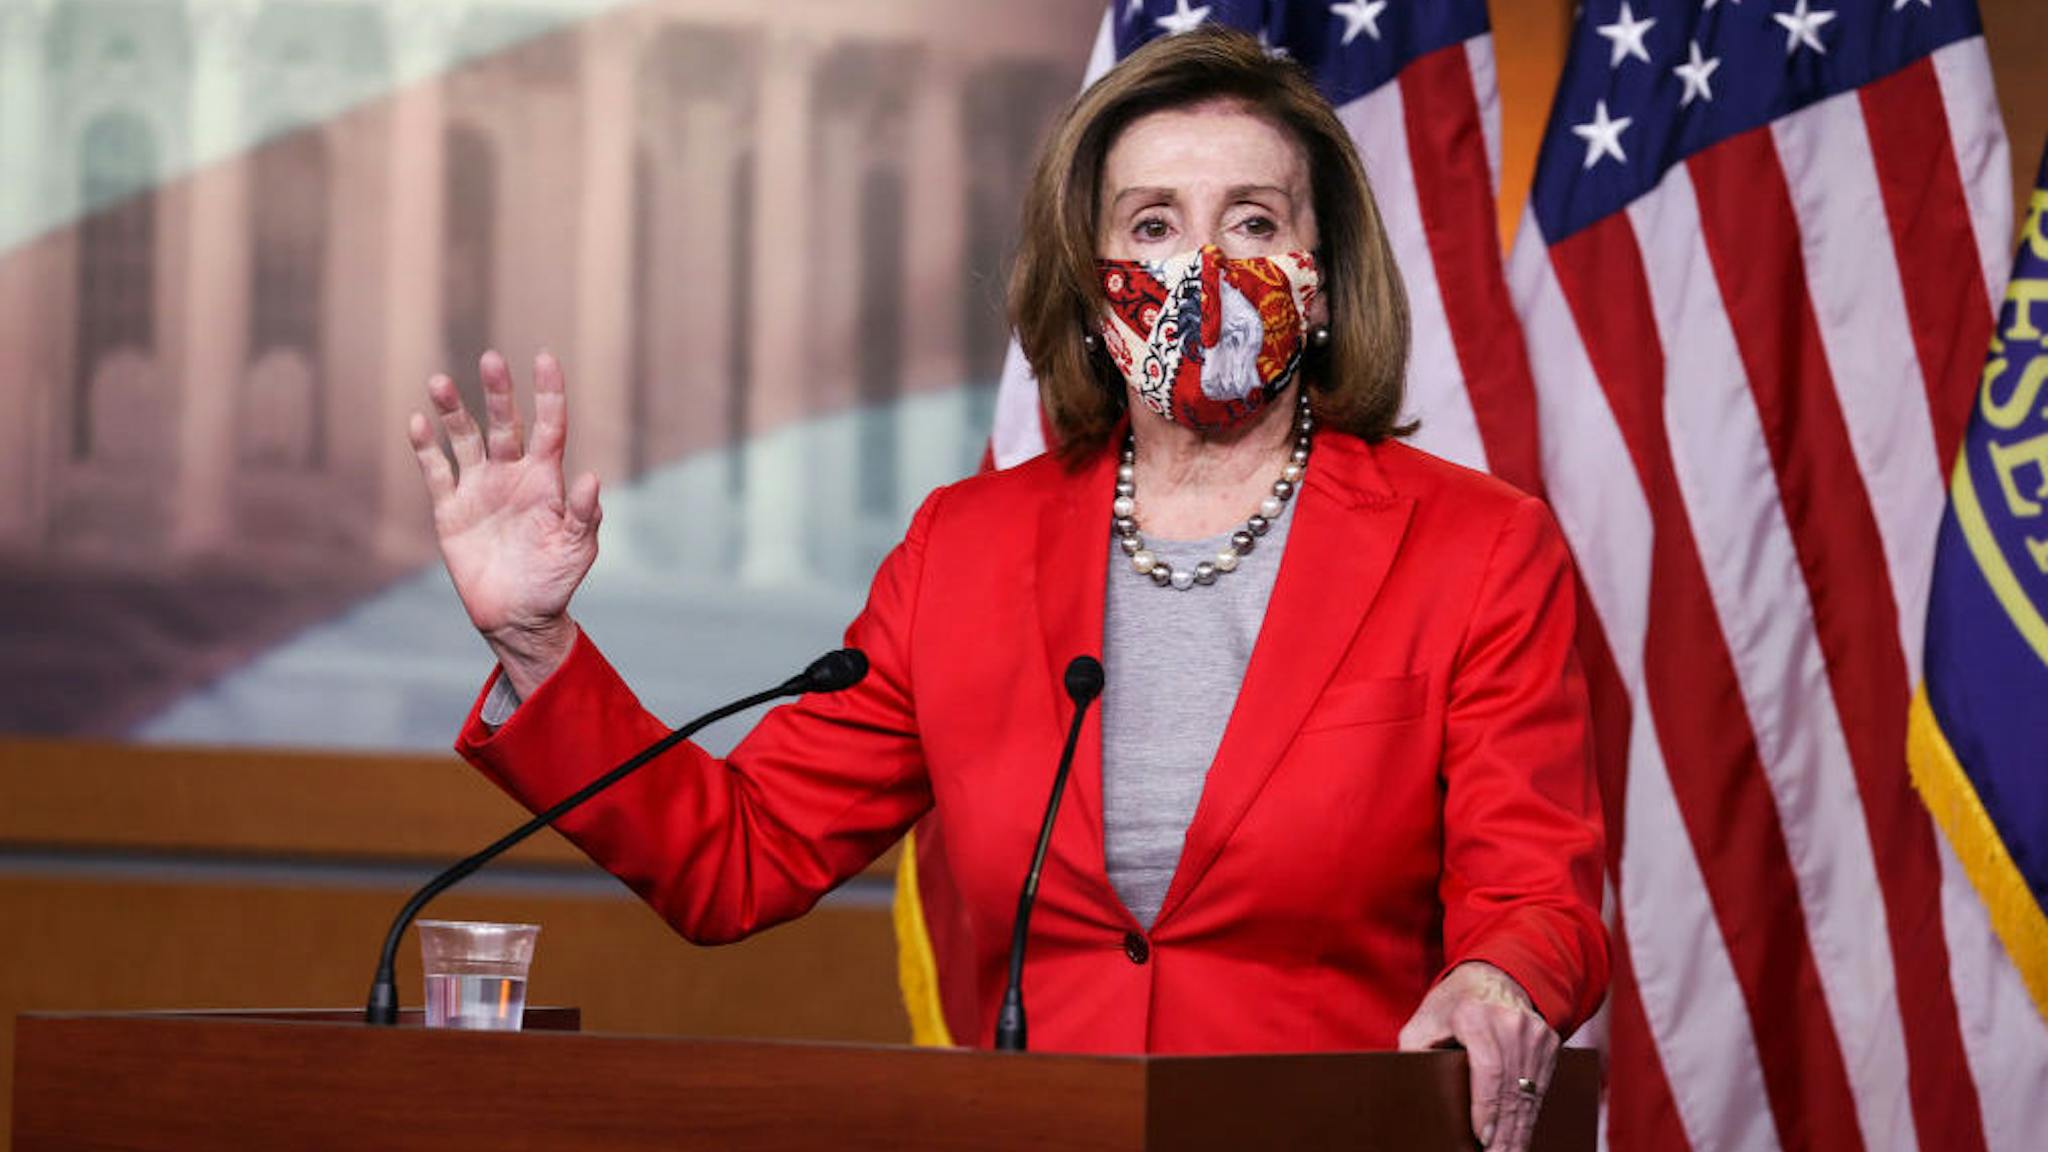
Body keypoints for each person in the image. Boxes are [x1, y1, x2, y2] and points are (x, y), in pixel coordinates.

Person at [406, 27, 1604, 1152]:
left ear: (1324, 279)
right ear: (1089, 295)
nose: (1203, 265)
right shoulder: (964, 552)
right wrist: (535, 643)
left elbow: (1533, 889)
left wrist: (1497, 979)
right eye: (1151, 227)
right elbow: (741, 857)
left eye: (1251, 220)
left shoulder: (1472, 547)